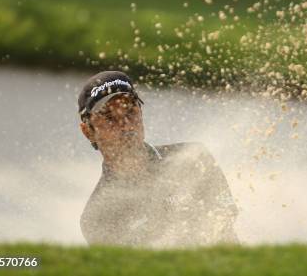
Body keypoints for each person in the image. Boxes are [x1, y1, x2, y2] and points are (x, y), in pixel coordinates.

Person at [77, 71, 238, 248]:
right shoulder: (97, 217)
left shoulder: (194, 158)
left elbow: (226, 231)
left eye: (130, 111)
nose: (125, 125)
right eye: (109, 117)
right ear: (88, 131)